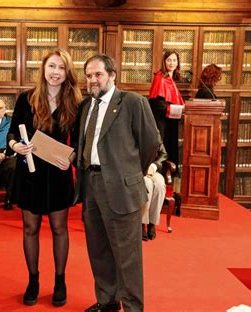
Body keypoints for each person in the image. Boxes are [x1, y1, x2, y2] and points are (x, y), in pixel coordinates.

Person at [73, 54, 159, 312]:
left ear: (112, 75)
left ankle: (133, 307)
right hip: (91, 184)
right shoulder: (86, 106)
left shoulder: (132, 102)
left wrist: (133, 173)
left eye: (98, 74)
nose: (93, 80)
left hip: (122, 187)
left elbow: (150, 143)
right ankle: (107, 301)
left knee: (127, 255)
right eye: (88, 76)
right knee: (98, 249)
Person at [7, 48, 81, 307]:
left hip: (59, 173)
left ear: (67, 72)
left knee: (60, 229)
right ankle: (33, 279)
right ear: (43, 69)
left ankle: (60, 280)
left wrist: (71, 159)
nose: (56, 73)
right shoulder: (26, 99)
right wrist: (15, 146)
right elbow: (12, 134)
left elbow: (82, 142)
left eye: (61, 68)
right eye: (52, 67)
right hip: (30, 172)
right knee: (30, 228)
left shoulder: (76, 102)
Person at [148, 50, 185, 166]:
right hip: (162, 122)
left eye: (174, 60)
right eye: (169, 60)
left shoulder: (171, 78)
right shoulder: (160, 77)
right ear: (164, 62)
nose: (172, 63)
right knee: (164, 151)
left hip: (170, 121)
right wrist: (176, 109)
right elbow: (156, 103)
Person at [142, 139, 168, 241]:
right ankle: (142, 223)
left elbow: (164, 154)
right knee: (147, 184)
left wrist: (154, 165)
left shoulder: (154, 130)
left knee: (160, 185)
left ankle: (152, 223)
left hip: (152, 169)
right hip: (136, 170)